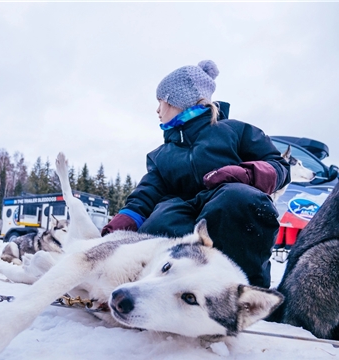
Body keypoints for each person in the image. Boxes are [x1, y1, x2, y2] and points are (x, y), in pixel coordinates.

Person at [101, 60, 290, 288]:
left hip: (225, 204)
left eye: (160, 101)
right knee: (162, 218)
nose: (157, 110)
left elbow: (278, 166)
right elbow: (147, 193)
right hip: (185, 210)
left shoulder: (234, 131)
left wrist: (246, 175)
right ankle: (165, 288)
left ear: (178, 101)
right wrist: (124, 221)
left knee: (236, 199)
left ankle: (242, 291)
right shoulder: (161, 155)